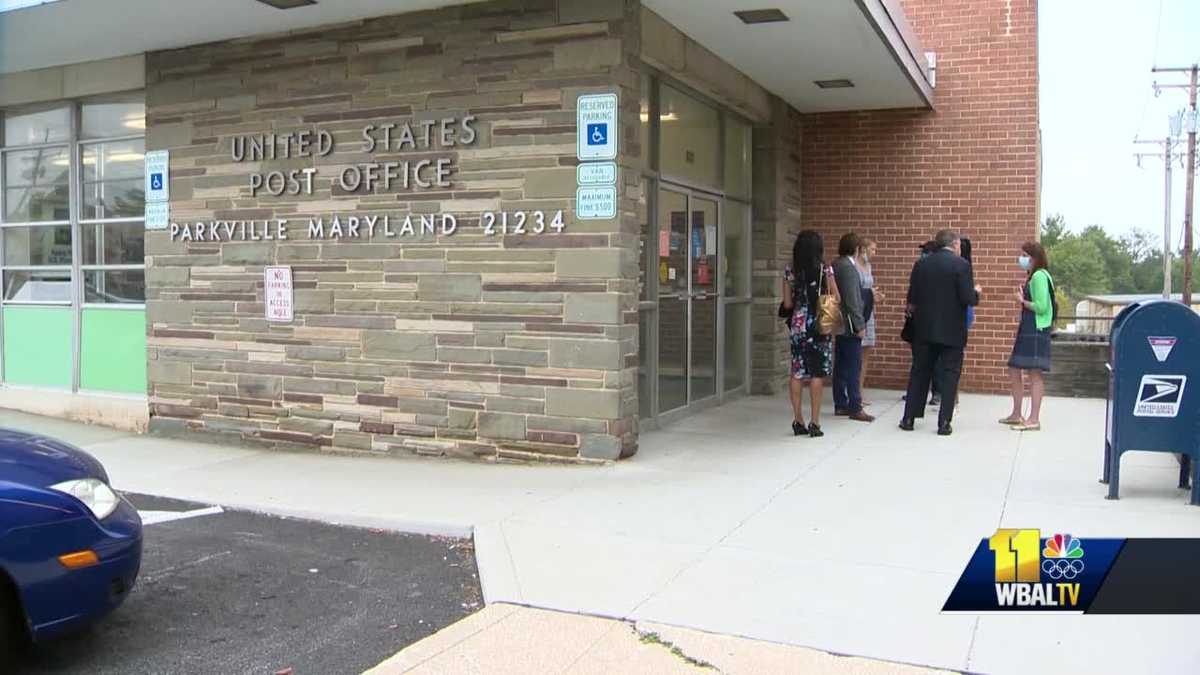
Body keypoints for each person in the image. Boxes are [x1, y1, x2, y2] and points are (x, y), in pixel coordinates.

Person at [899, 229, 981, 435]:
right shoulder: (962, 265)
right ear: (954, 244)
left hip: (924, 328)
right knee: (950, 374)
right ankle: (944, 422)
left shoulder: (921, 265)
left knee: (919, 372)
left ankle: (909, 418)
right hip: (952, 330)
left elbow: (912, 297)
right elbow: (968, 298)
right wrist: (977, 293)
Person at [782, 231, 836, 437]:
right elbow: (836, 296)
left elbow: (788, 303)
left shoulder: (790, 270)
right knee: (816, 373)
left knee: (797, 371)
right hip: (819, 324)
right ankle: (815, 422)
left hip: (798, 324)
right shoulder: (825, 269)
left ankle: (798, 420)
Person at [1000, 241, 1054, 431]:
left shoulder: (1039, 276)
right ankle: (1017, 414)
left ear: (1034, 258)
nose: (1021, 259)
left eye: (1025, 255)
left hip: (1036, 330)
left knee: (1034, 373)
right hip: (1029, 328)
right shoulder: (1034, 276)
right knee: (1014, 368)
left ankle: (1033, 419)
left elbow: (1042, 306)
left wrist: (1022, 301)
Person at [832, 233, 874, 422]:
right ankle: (855, 406)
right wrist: (860, 325)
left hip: (840, 324)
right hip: (849, 324)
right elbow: (852, 299)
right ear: (856, 249)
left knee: (841, 365)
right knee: (853, 366)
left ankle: (840, 403)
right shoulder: (848, 268)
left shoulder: (836, 264)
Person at [856, 238, 883, 404]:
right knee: (855, 353)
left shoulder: (869, 266)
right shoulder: (854, 267)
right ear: (863, 249)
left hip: (869, 312)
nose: (874, 253)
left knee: (866, 351)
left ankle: (860, 391)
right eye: (872, 249)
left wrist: (875, 296)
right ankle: (852, 391)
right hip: (857, 312)